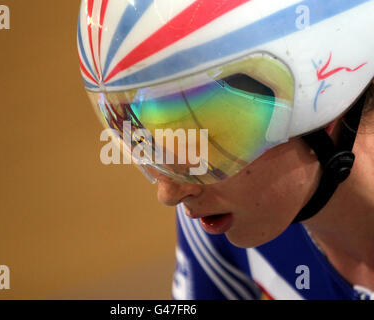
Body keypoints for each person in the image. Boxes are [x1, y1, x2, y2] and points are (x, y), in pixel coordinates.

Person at [77, 0, 374, 299]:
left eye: (207, 144)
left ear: (325, 97)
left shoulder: (230, 210)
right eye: (145, 140)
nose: (168, 194)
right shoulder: (220, 221)